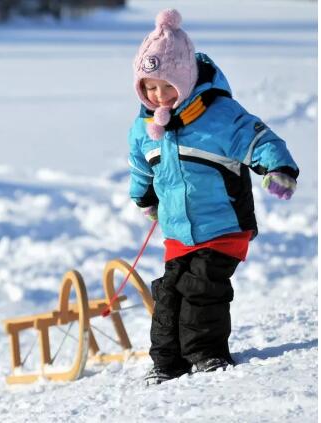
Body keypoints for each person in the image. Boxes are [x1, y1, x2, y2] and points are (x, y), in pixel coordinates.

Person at [127, 9, 299, 386]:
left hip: (223, 225)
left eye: (166, 86)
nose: (158, 96)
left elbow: (259, 140)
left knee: (201, 286)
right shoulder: (144, 128)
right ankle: (167, 362)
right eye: (149, 87)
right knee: (169, 292)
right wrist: (144, 199)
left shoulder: (219, 115)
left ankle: (207, 353)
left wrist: (278, 168)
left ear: (186, 78)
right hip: (177, 232)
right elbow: (142, 167)